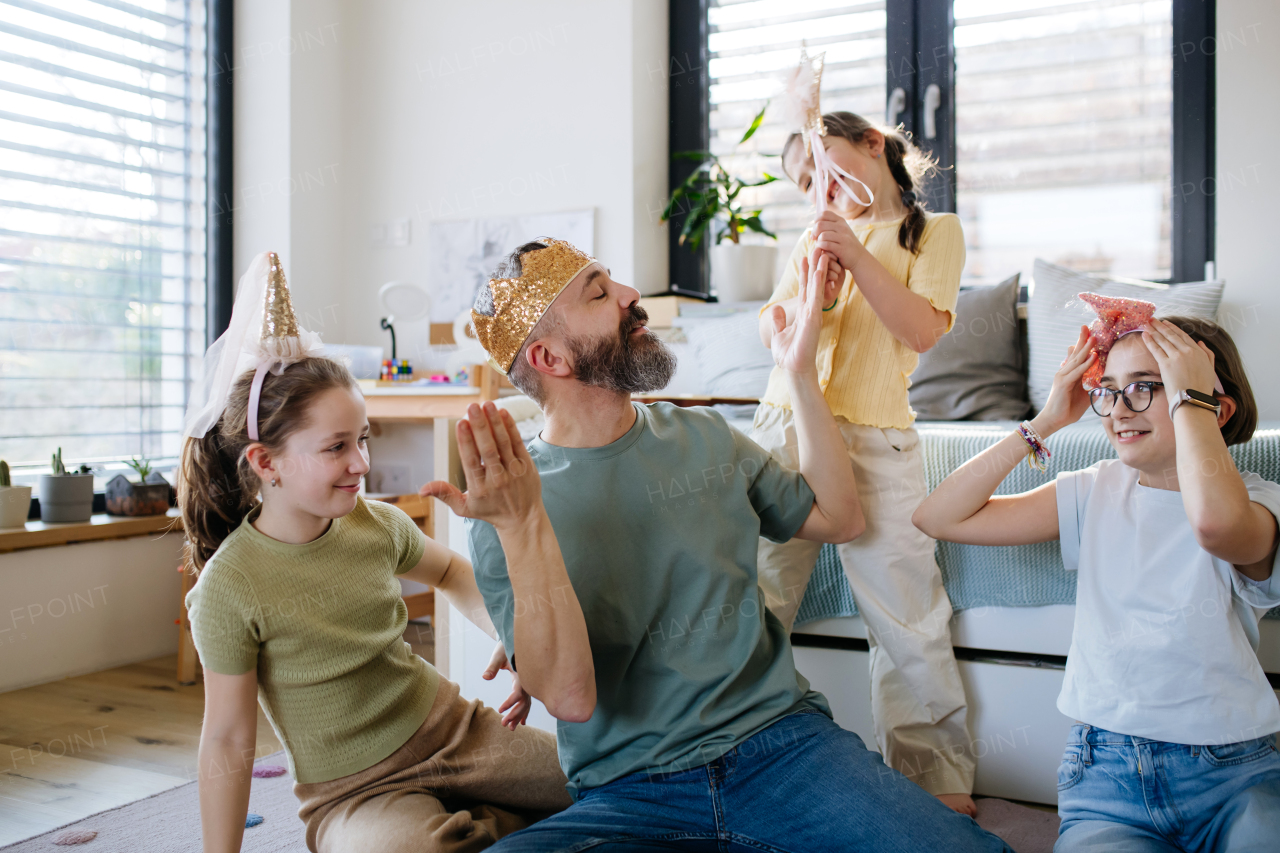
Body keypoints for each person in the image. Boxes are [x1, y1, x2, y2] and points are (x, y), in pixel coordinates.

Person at [428, 237, 1011, 851]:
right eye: (600, 293)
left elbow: (839, 519)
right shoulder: (508, 501)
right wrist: (522, 527)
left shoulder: (706, 437)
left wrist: (798, 372)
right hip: (630, 792)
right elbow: (570, 697)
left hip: (783, 750)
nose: (632, 297)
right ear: (550, 358)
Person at [181, 252, 580, 853]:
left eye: (363, 440)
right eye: (337, 447)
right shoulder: (228, 586)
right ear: (266, 463)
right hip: (353, 793)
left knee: (600, 782)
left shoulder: (374, 525)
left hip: (457, 731)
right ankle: (475, 823)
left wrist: (506, 630)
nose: (362, 464)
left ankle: (475, 814)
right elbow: (228, 740)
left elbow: (448, 570)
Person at [912, 311, 1280, 852]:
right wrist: (1043, 423)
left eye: (1147, 388)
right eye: (1107, 391)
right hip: (1107, 777)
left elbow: (1216, 526)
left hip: (1235, 773)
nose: (1118, 410)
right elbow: (938, 517)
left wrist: (1193, 402)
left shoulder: (1258, 501)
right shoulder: (1096, 489)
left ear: (1213, 407)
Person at [753, 109, 976, 812]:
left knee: (905, 609)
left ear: (872, 143)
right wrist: (799, 309)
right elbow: (774, 325)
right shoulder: (814, 238)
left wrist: (854, 253)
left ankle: (932, 774)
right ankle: (733, 749)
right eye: (806, 182)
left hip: (876, 436)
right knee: (756, 591)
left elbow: (919, 328)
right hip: (788, 425)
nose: (820, 189)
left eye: (827, 168)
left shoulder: (933, 232)